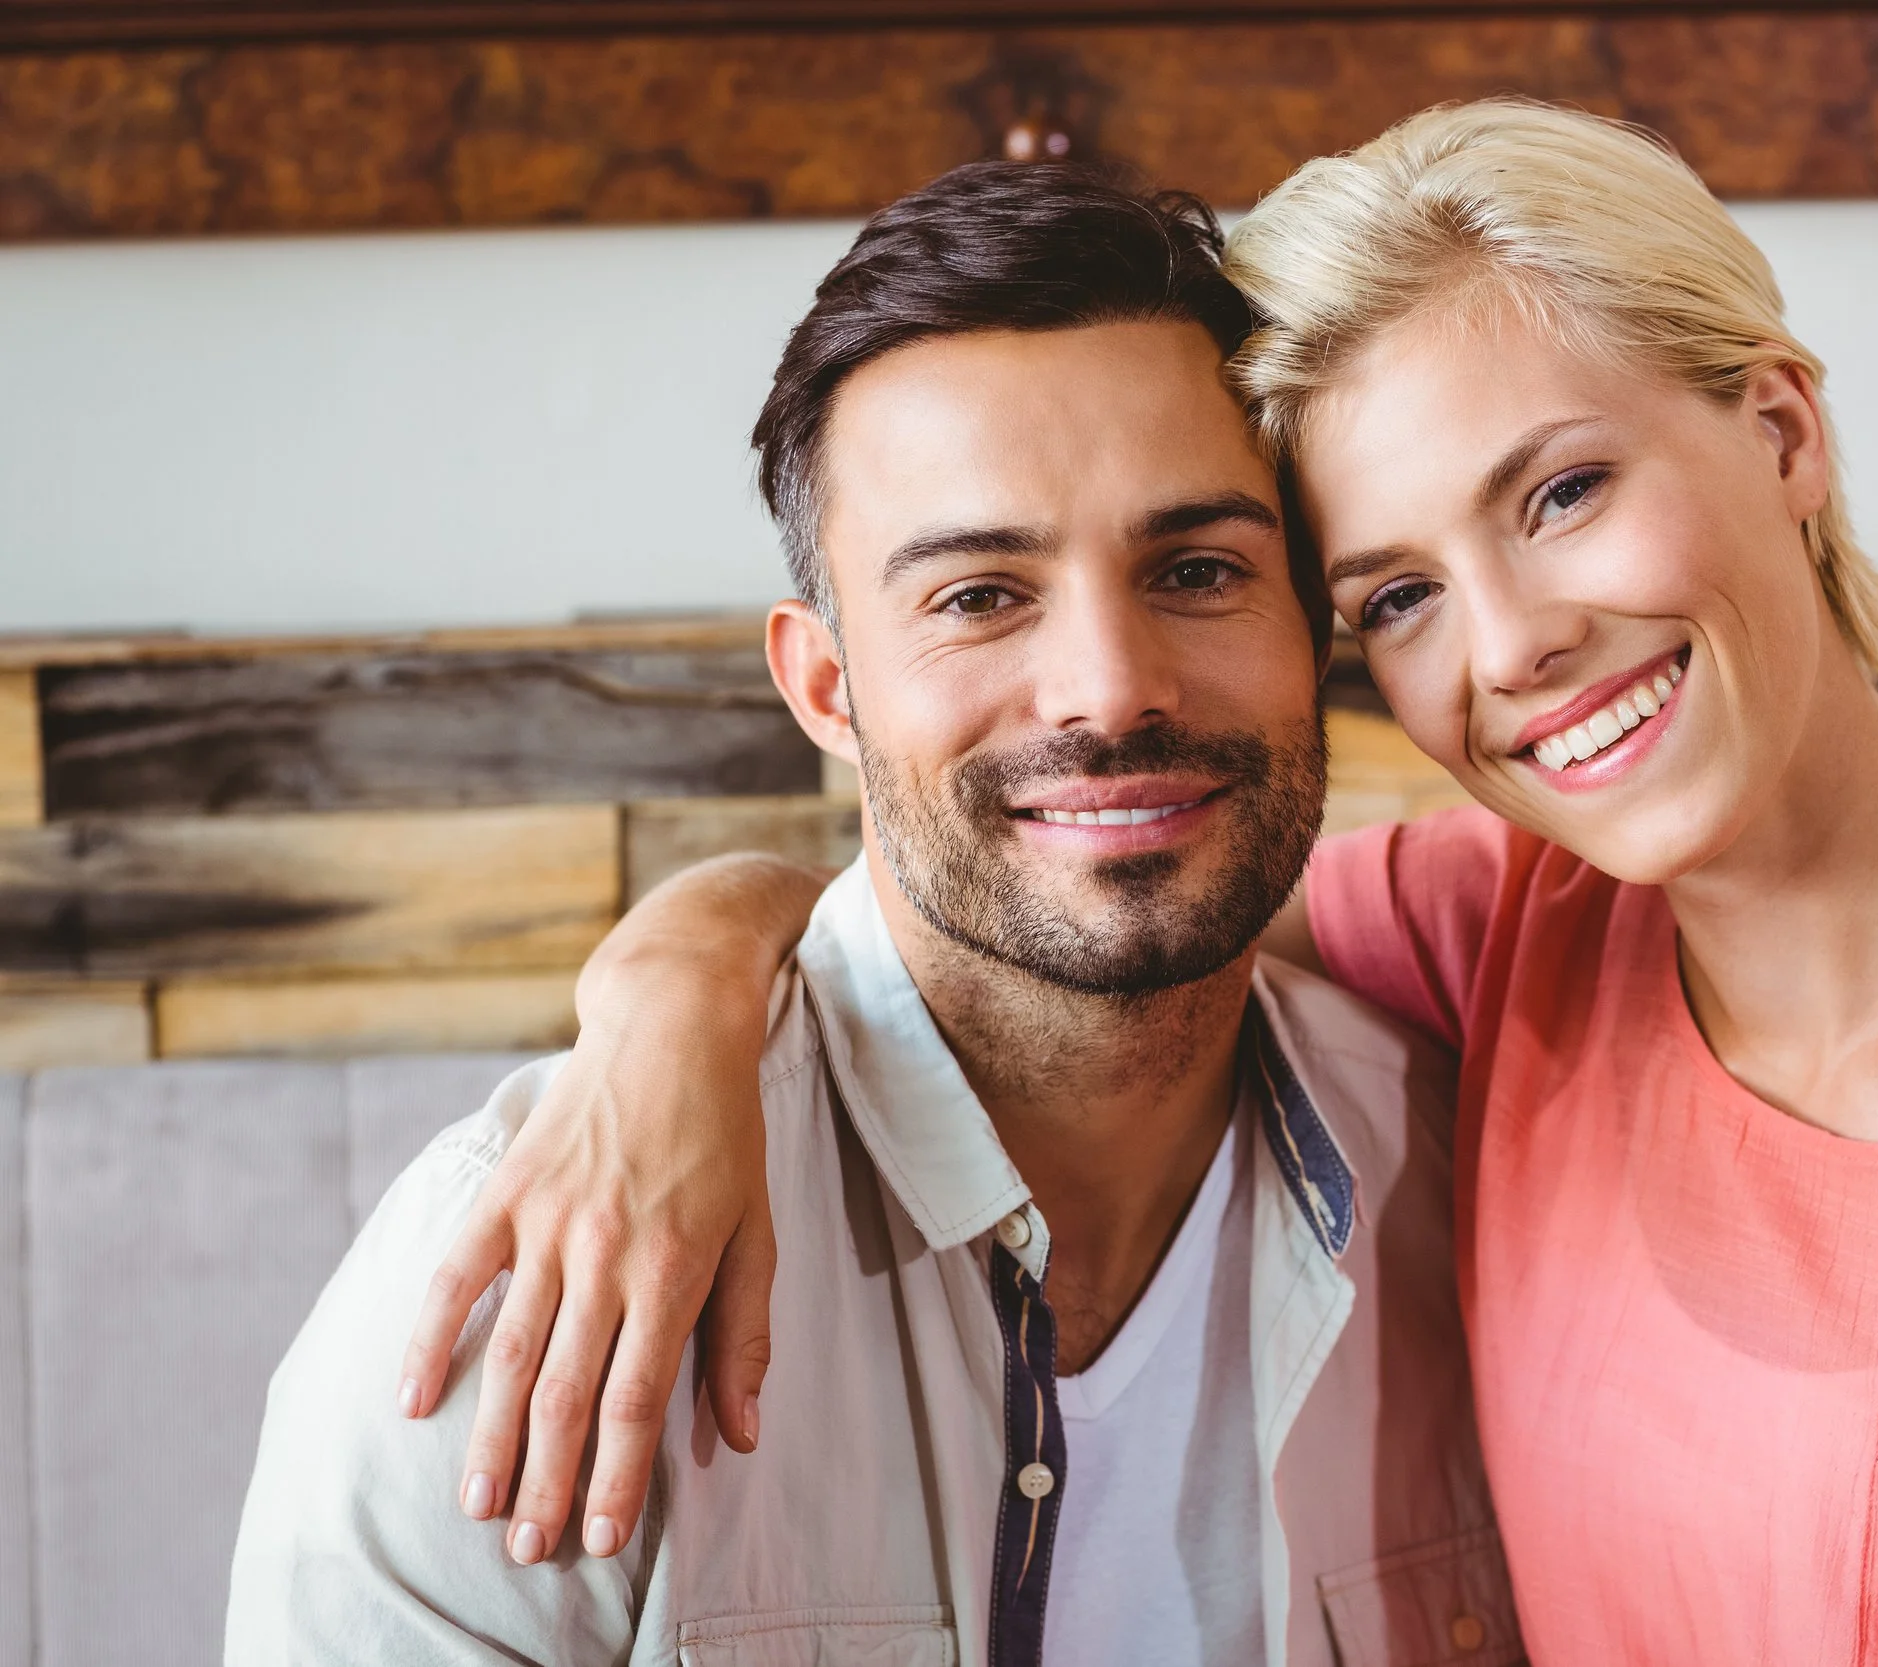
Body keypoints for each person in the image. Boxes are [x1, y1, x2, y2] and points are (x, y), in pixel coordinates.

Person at [398, 104, 1878, 1664]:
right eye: (1394, 591)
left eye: (1560, 491)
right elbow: (1027, 881)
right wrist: (670, 998)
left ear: (1776, 433)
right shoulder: (1507, 941)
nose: (1506, 649)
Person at [226, 163, 1522, 1667]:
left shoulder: (1472, 1178)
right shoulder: (534, 1282)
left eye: (1196, 569)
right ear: (827, 687)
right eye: (979, 595)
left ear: (1312, 626)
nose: (1110, 684)